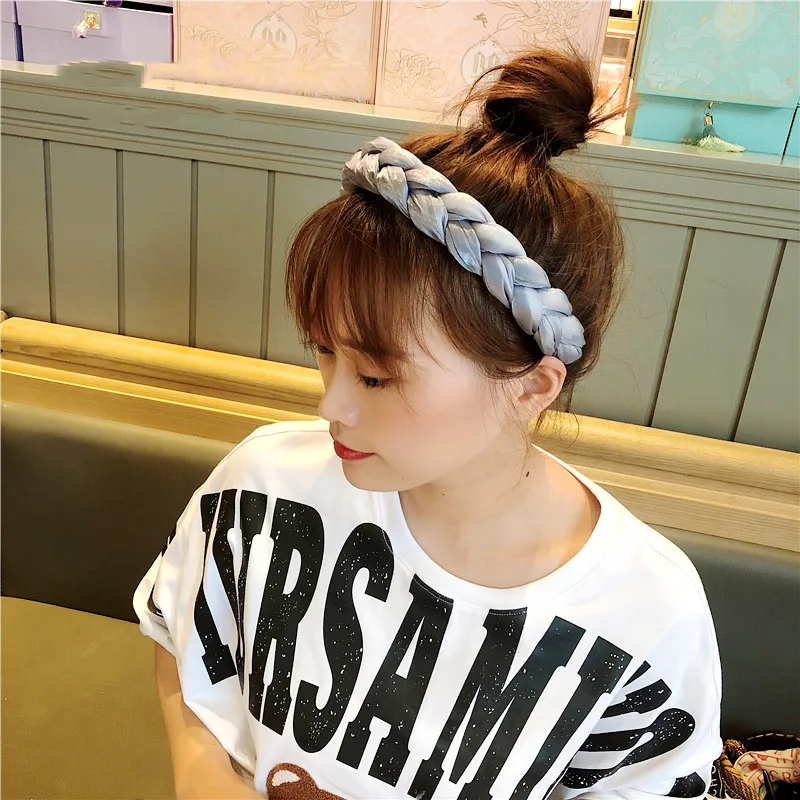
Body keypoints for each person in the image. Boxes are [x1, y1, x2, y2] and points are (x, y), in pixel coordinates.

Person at [134, 49, 722, 800]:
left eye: (378, 376)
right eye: (324, 352)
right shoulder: (265, 485)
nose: (331, 406)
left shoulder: (645, 616)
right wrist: (199, 771)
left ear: (531, 386)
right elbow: (184, 639)